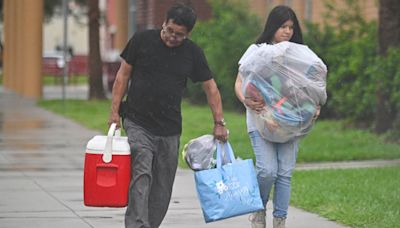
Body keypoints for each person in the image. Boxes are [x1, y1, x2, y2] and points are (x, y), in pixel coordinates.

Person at [108, 3, 229, 228]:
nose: (172, 37)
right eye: (169, 30)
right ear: (164, 23)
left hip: (170, 128)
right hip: (137, 121)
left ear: (188, 34)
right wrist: (115, 112)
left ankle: (150, 224)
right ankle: (136, 225)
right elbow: (123, 75)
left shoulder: (192, 53)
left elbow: (210, 88)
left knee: (163, 186)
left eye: (179, 35)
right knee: (141, 173)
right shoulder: (142, 40)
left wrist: (219, 122)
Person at [234, 5, 322, 228]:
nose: (287, 31)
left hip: (291, 122)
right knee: (267, 170)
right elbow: (239, 82)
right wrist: (245, 100)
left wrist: (315, 105)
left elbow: (310, 86)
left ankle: (279, 221)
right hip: (261, 120)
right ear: (272, 26)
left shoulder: (300, 53)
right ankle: (259, 209)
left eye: (291, 27)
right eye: (283, 26)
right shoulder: (257, 51)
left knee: (284, 173)